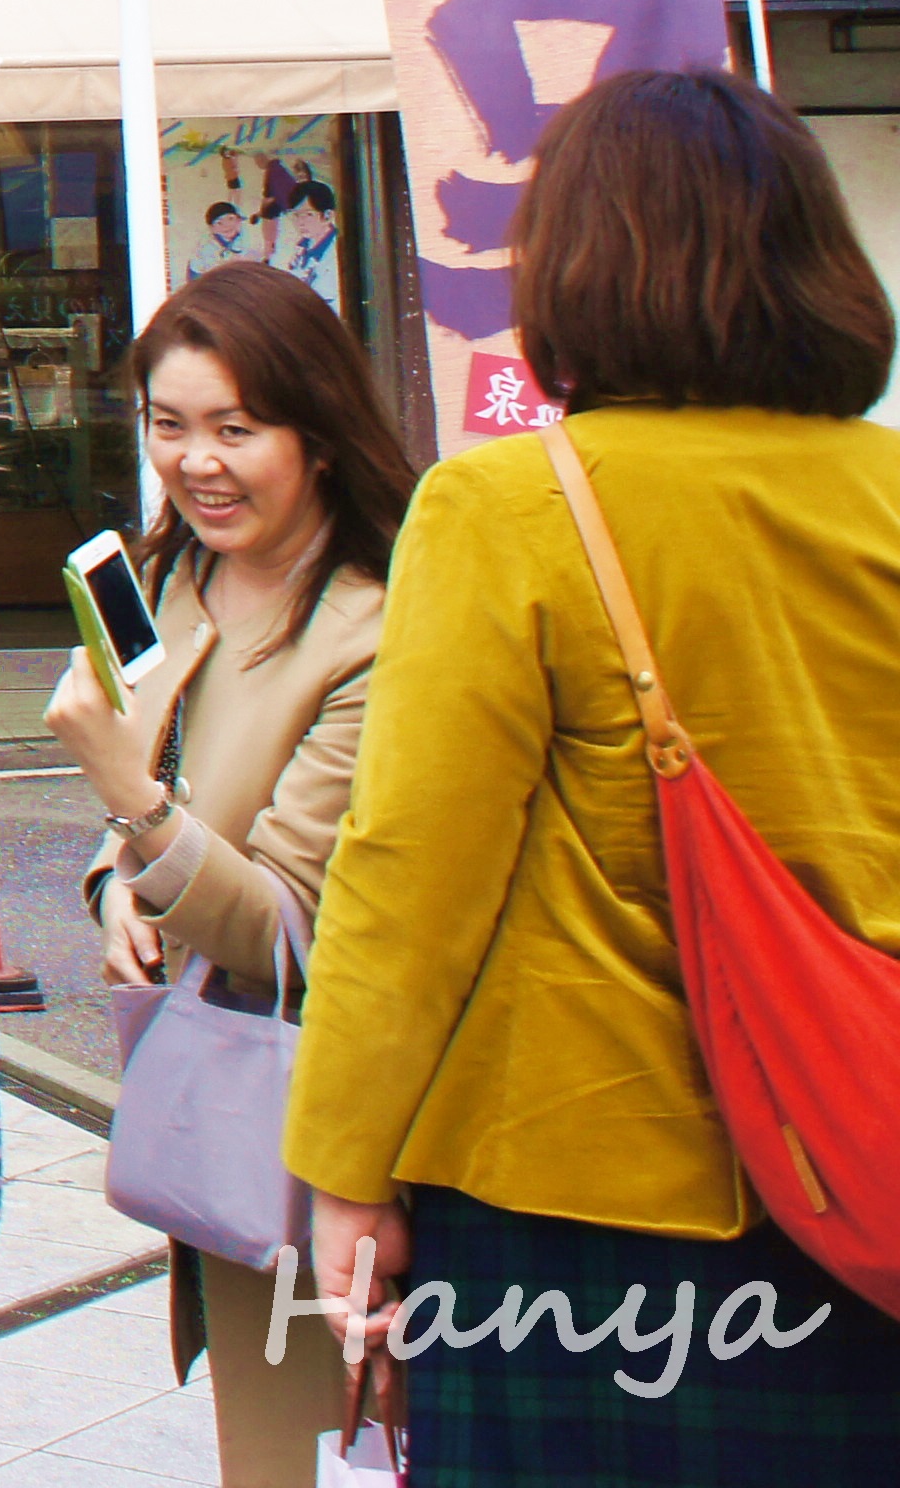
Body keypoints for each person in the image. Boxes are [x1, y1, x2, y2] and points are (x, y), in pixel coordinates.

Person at [286, 71, 900, 1477]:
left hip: (581, 1211)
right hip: (873, 1174)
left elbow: (410, 878)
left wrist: (343, 1169)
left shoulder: (508, 509)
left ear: (571, 264)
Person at [44, 261, 409, 1484]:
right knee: (265, 1453)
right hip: (223, 1112)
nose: (195, 462)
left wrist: (131, 807)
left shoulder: (373, 627)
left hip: (341, 1131)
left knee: (339, 1440)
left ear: (318, 433)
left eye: (236, 430)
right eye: (169, 425)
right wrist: (114, 886)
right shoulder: (167, 582)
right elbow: (150, 826)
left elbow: (289, 927)